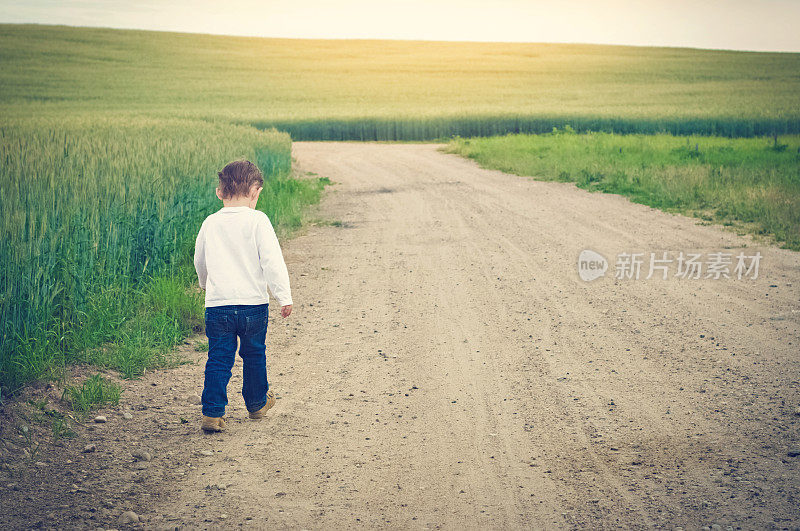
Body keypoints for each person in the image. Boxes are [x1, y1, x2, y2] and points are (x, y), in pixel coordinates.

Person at [193, 160, 293, 433]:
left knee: (219, 358)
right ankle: (257, 404)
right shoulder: (258, 220)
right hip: (253, 306)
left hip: (219, 305)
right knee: (254, 354)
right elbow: (272, 262)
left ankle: (213, 413)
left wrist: (205, 284)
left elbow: (200, 260)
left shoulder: (210, 223)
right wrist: (283, 296)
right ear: (254, 192)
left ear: (220, 192)